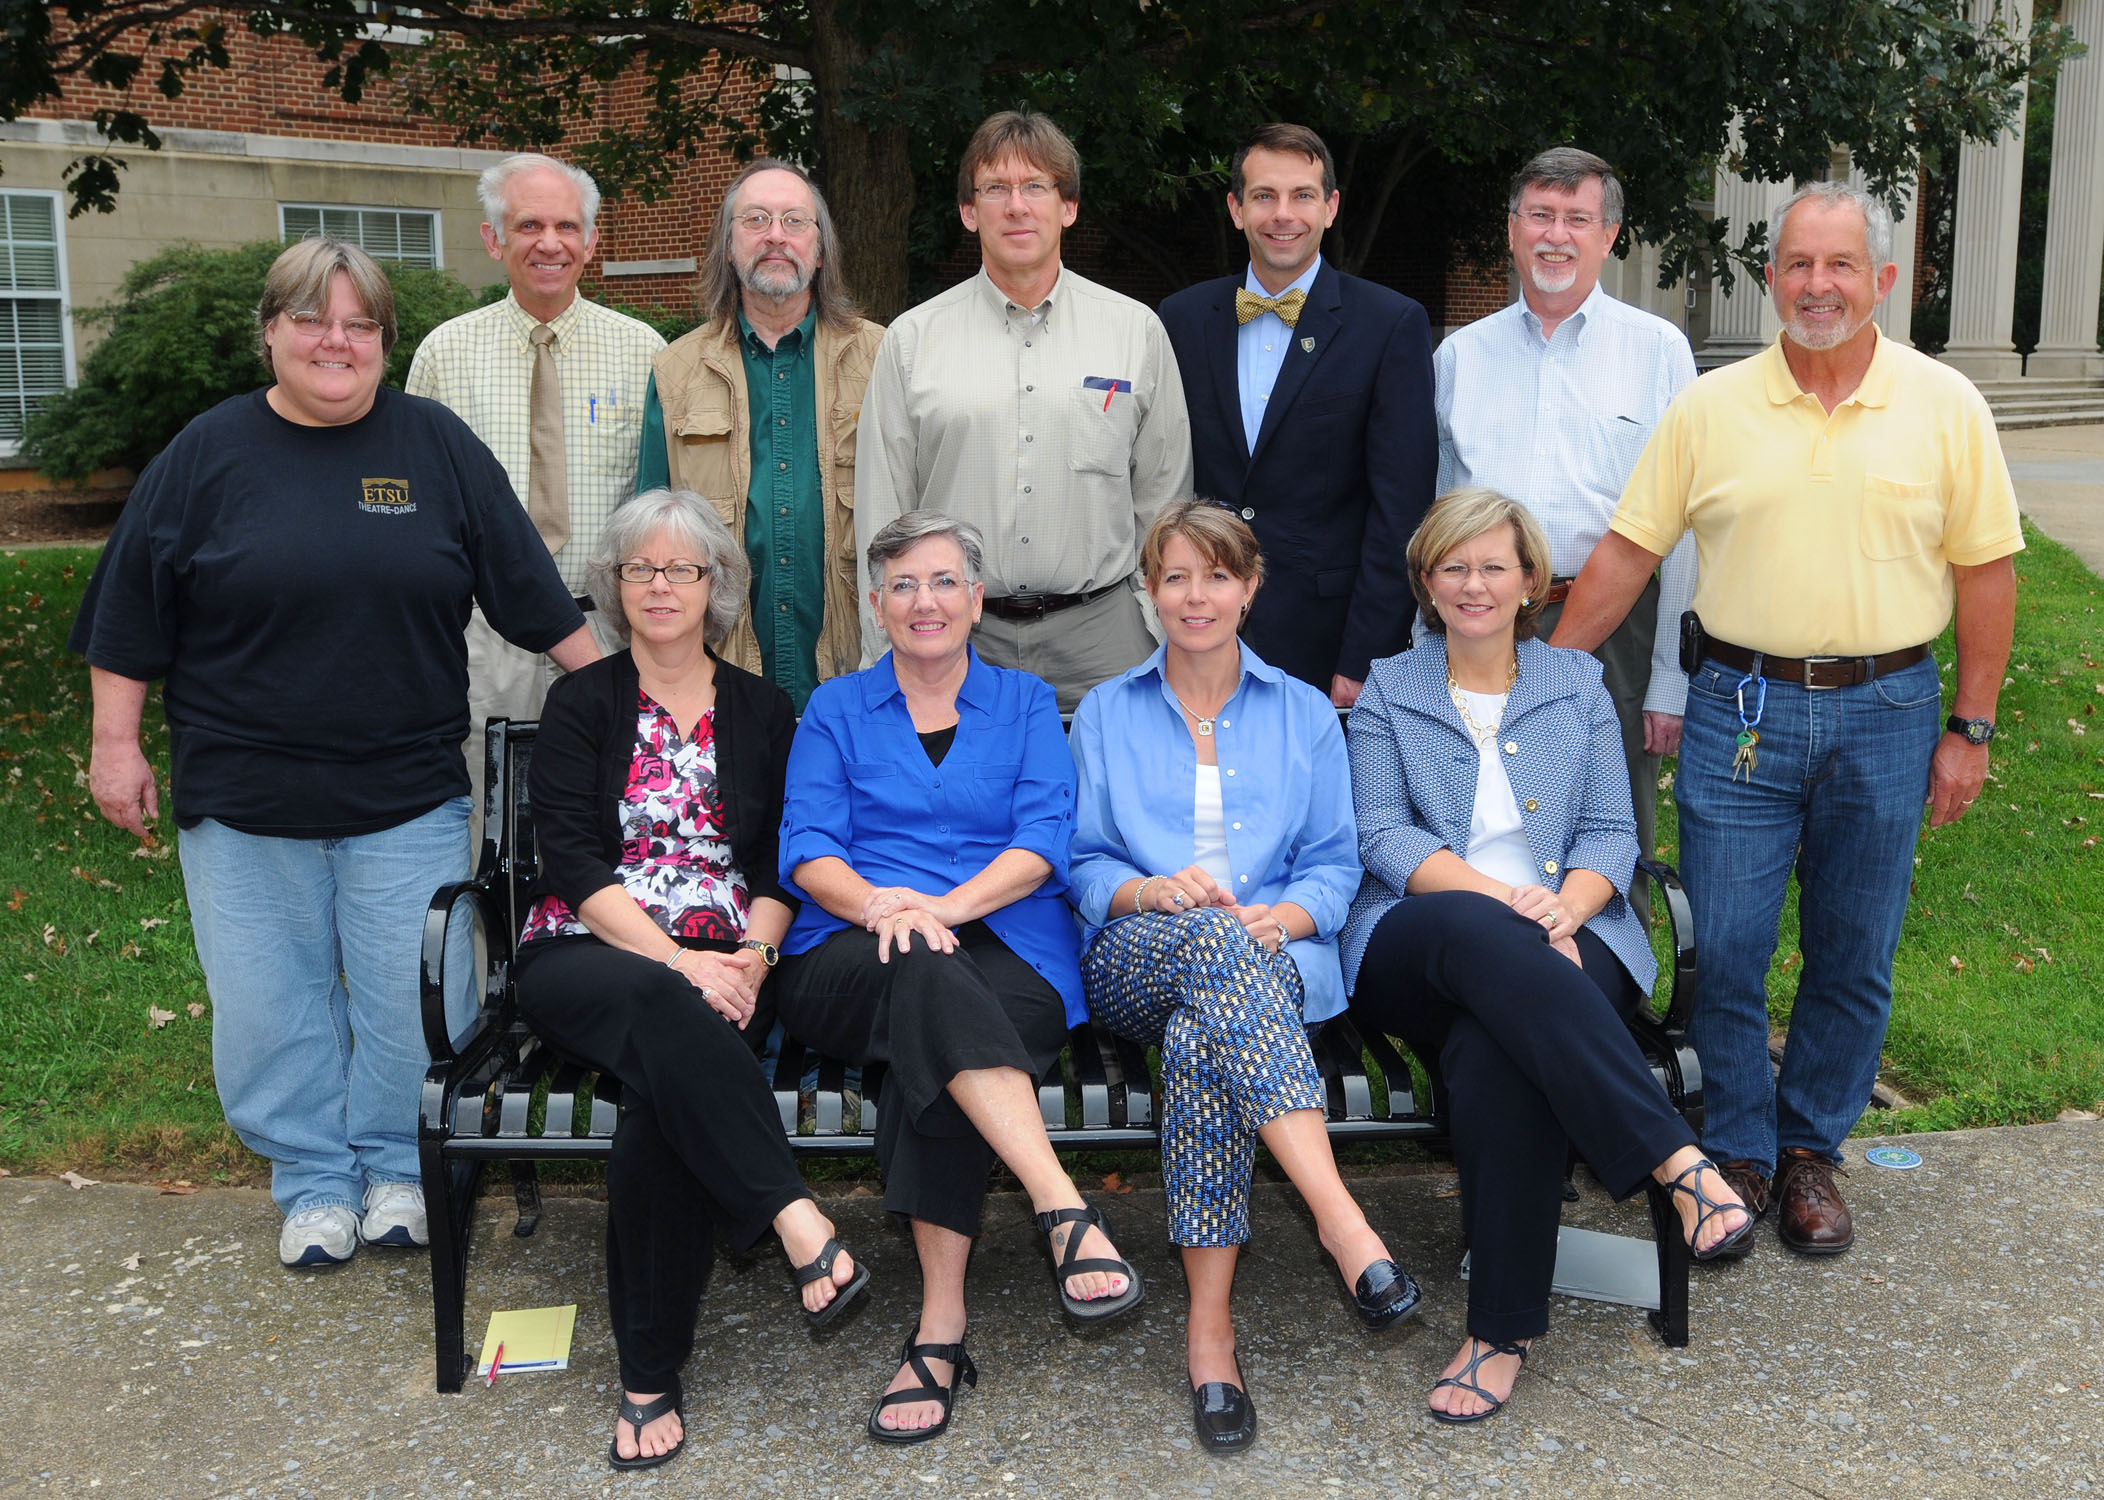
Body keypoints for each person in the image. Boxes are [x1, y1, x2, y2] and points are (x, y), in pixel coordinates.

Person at [70, 238, 596, 1268]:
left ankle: (398, 1167)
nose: (335, 342)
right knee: (271, 1003)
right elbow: (129, 611)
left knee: (413, 994)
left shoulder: (434, 445)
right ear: (271, 331)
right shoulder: (206, 454)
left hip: (405, 790)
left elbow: (531, 595)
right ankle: (312, 1178)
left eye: (360, 324)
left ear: (385, 342)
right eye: (311, 319)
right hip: (243, 792)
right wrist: (113, 745)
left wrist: (629, 703)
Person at [1552, 181, 2021, 1255]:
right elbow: (1628, 551)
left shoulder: (1947, 404)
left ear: (1881, 279)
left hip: (1891, 708)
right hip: (1740, 707)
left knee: (1854, 947)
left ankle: (1809, 1148)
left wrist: (1972, 727)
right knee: (1724, 944)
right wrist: (1546, 682)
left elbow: (1987, 572)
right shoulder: (1710, 408)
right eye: (1798, 265)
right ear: (1771, 279)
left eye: (1840, 265)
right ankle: (1738, 1150)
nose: (1818, 286)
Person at [1343, 488, 1753, 1424]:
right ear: (1426, 583)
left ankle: (1499, 1333)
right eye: (1453, 566)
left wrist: (1564, 913)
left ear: (1531, 580)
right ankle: (1677, 1161)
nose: (1474, 584)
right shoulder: (1389, 689)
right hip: (1420, 933)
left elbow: (1612, 832)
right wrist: (1516, 916)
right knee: (1477, 939)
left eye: (1494, 565)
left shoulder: (1575, 684)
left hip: (1574, 933)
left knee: (1497, 1051)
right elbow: (1385, 836)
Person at [511, 488, 871, 1471]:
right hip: (591, 949)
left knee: (658, 1114)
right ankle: (796, 1220)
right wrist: (677, 963)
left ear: (717, 586)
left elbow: (781, 860)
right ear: (615, 584)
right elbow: (573, 863)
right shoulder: (582, 702)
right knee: (665, 1011)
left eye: (682, 568)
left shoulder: (764, 709)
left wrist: (753, 960)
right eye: (641, 568)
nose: (660, 585)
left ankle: (647, 1377)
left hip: (733, 961)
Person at [775, 511, 1145, 1445]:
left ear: (976, 600)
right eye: (902, 585)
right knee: (925, 976)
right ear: (876, 605)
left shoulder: (1025, 703)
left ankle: (939, 1329)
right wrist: (883, 908)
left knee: (932, 1034)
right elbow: (807, 847)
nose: (924, 602)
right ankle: (1060, 1204)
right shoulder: (834, 709)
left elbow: (1043, 839)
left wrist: (939, 909)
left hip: (1009, 946)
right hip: (852, 949)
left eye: (943, 582)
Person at [1069, 499, 1420, 1453]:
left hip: (1276, 958)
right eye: (1176, 577)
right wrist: (1149, 891)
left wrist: (1286, 917)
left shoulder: (1305, 712)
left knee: (1202, 1039)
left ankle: (1210, 1334)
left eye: (1217, 576)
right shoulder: (1106, 712)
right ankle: (1341, 1222)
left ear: (1250, 589)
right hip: (1140, 954)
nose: (1197, 597)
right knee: (1209, 944)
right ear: (1149, 592)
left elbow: (1336, 864)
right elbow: (1085, 863)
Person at [854, 110, 1194, 710]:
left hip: (1105, 641)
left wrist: (1153, 619)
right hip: (954, 640)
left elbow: (1164, 500)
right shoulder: (911, 341)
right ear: (969, 211)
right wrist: (884, 653)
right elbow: (884, 510)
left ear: (1068, 206)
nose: (1016, 206)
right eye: (996, 189)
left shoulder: (1135, 332)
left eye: (1035, 186)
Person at [1434, 147, 1698, 913]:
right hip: (1481, 618)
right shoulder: (1459, 357)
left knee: (1611, 817)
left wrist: (1669, 681)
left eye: (1578, 219)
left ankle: (1612, 971)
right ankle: (1490, 956)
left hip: (1617, 623)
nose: (1557, 236)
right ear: (1511, 230)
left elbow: (1684, 529)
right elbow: (1439, 513)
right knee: (1481, 809)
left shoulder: (1657, 352)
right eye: (1540, 216)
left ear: (1609, 235)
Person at [406, 153, 666, 836]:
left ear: (591, 241)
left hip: (609, 631)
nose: (549, 243)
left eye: (566, 226)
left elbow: (660, 498)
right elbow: (419, 513)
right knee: (488, 827)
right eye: (528, 226)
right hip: (488, 640)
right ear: (494, 240)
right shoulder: (444, 355)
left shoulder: (643, 352)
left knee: (611, 819)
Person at [1158, 123, 1436, 704]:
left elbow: (1401, 509)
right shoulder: (1180, 320)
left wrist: (1365, 657)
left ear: (1330, 208)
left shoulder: (1390, 324)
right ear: (1236, 209)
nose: (1283, 214)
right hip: (1194, 633)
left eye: (1302, 196)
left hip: (1327, 646)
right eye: (1264, 196)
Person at [634, 159, 886, 711]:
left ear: (821, 250)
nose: (775, 235)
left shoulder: (884, 360)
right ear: (728, 247)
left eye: (794, 220)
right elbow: (651, 539)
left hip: (857, 677)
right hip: (720, 681)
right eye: (755, 220)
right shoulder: (676, 373)